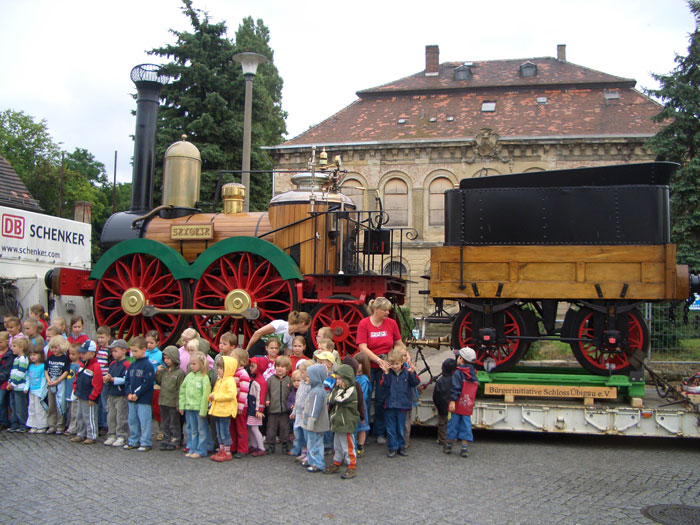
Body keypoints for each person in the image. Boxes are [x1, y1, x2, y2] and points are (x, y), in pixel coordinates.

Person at [357, 297, 406, 444]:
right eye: (385, 310)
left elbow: (398, 342)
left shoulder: (391, 324)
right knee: (363, 399)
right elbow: (362, 347)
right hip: (369, 367)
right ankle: (362, 431)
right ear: (376, 310)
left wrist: (404, 353)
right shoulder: (364, 323)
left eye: (388, 310)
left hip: (385, 367)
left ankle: (379, 432)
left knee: (381, 400)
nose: (388, 312)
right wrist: (378, 360)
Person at [380, 349, 419, 458]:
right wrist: (386, 373)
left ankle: (401, 446)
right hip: (390, 404)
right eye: (392, 364)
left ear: (402, 363)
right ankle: (392, 447)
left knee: (401, 427)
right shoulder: (387, 373)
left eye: (397, 364)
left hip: (403, 404)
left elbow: (415, 383)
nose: (395, 366)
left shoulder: (407, 372)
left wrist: (412, 373)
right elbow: (384, 385)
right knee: (390, 428)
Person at [326, 363, 360, 479]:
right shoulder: (340, 388)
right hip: (338, 422)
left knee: (348, 446)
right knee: (338, 445)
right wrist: (336, 390)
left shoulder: (351, 390)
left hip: (346, 422)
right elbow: (330, 399)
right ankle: (336, 462)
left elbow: (338, 399)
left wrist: (335, 391)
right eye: (337, 379)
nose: (337, 382)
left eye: (340, 379)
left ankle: (352, 466)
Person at [445, 347, 479, 458]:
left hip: (458, 403)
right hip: (468, 404)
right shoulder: (473, 373)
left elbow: (456, 387)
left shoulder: (458, 373)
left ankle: (449, 445)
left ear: (461, 359)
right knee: (466, 424)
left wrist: (453, 401)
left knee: (453, 424)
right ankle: (464, 447)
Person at [179, 351, 212, 459]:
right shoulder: (189, 376)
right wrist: (182, 405)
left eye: (194, 364)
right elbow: (183, 391)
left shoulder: (204, 378)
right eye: (190, 364)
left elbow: (205, 396)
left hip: (199, 408)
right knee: (193, 430)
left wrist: (203, 411)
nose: (191, 366)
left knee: (201, 430)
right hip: (189, 407)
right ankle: (193, 448)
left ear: (201, 364)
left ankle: (201, 450)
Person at [124, 337, 155, 452]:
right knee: (132, 420)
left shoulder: (148, 365)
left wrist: (137, 393)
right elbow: (127, 381)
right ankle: (133, 440)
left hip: (143, 399)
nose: (133, 354)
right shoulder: (132, 365)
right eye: (132, 351)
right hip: (132, 398)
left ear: (143, 349)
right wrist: (128, 393)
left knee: (144, 421)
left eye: (136, 351)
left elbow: (147, 382)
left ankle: (146, 441)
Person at [70, 340, 103, 444]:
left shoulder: (95, 366)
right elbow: (77, 378)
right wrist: (76, 390)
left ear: (92, 354)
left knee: (89, 416)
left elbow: (97, 384)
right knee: (79, 416)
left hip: (89, 397)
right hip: (81, 395)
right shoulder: (82, 364)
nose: (81, 355)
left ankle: (91, 435)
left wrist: (93, 397)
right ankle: (81, 433)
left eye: (84, 353)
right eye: (81, 353)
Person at [208, 355, 238, 462]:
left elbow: (231, 395)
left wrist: (215, 396)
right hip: (218, 410)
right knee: (219, 431)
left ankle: (227, 451)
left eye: (221, 368)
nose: (219, 370)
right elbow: (216, 391)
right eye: (218, 368)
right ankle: (221, 450)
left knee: (224, 431)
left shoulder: (229, 380)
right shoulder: (220, 380)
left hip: (225, 411)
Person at [302, 364, 331, 473]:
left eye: (309, 376)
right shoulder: (315, 389)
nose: (306, 378)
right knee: (311, 442)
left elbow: (315, 409)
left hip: (315, 424)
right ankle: (311, 460)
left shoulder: (317, 392)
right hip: (312, 423)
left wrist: (311, 421)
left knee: (314, 443)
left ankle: (317, 463)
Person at [155, 345, 185, 451]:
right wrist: (157, 373)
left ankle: (175, 440)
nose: (166, 361)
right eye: (165, 359)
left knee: (174, 423)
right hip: (163, 401)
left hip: (172, 402)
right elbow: (159, 382)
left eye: (168, 358)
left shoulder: (179, 373)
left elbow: (180, 389)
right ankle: (166, 439)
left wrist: (179, 404)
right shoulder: (164, 371)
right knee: (164, 423)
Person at [246, 311, 312, 357]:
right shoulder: (280, 324)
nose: (307, 330)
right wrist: (247, 351)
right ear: (303, 323)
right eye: (307, 327)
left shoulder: (292, 338)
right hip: (256, 351)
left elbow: (287, 355)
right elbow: (257, 333)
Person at [102, 339, 130, 448]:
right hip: (111, 393)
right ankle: (111, 434)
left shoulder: (127, 364)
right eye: (112, 351)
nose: (113, 353)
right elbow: (109, 374)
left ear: (123, 351)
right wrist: (107, 378)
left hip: (121, 394)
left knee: (121, 416)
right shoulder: (113, 364)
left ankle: (121, 435)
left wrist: (113, 379)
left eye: (115, 351)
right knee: (111, 415)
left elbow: (126, 379)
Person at [265, 355, 293, 454]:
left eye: (282, 366)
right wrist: (267, 400)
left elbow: (292, 393)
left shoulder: (289, 380)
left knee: (284, 427)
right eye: (278, 366)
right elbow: (266, 392)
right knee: (271, 428)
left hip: (285, 409)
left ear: (287, 368)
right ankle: (270, 445)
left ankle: (285, 444)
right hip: (273, 408)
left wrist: (292, 404)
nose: (280, 368)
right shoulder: (271, 380)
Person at [45, 336, 71, 434]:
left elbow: (66, 371)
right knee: (51, 405)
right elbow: (46, 370)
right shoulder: (50, 358)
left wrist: (58, 381)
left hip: (60, 383)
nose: (54, 350)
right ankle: (52, 425)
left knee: (60, 404)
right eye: (52, 348)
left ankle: (60, 425)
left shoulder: (65, 359)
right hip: (51, 382)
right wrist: (49, 380)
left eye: (56, 347)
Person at [230, 346, 250, 458]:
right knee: (232, 427)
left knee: (241, 428)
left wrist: (240, 406)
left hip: (240, 406)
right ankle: (233, 447)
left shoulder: (243, 374)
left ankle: (243, 449)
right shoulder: (232, 372)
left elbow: (244, 392)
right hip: (232, 404)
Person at [432, 358, 457, 447]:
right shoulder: (455, 380)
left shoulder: (440, 381)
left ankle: (441, 439)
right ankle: (452, 439)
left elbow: (436, 395)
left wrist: (437, 404)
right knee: (452, 423)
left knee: (442, 424)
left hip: (442, 406)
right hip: (453, 407)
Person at [7, 336, 29, 432]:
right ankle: (14, 423)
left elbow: (20, 373)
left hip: (19, 387)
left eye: (14, 346)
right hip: (13, 387)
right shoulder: (16, 359)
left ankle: (22, 424)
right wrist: (10, 382)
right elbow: (13, 372)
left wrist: (13, 383)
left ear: (21, 348)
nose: (12, 348)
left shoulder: (23, 359)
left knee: (20, 407)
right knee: (13, 406)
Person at [289, 362, 310, 460]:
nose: (301, 374)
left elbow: (309, 401)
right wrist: (294, 412)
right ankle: (302, 451)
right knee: (298, 433)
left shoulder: (309, 386)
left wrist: (306, 413)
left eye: (302, 372)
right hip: (298, 413)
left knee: (306, 434)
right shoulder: (302, 386)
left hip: (304, 415)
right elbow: (298, 400)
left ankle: (307, 453)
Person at [352, 352, 372, 456]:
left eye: (359, 363)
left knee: (362, 427)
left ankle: (360, 446)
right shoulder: (353, 377)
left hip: (361, 407)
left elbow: (363, 395)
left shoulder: (364, 379)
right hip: (353, 406)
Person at [246, 358, 266, 457]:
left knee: (254, 428)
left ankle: (261, 447)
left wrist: (260, 410)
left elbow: (261, 397)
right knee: (250, 427)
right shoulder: (253, 378)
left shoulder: (260, 381)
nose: (250, 368)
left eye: (253, 366)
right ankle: (253, 445)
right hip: (251, 406)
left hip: (255, 408)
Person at [26, 348, 48, 433]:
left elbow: (43, 379)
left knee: (40, 409)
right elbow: (28, 377)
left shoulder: (42, 366)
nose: (32, 357)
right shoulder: (30, 366)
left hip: (39, 390)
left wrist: (41, 391)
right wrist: (26, 388)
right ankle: (33, 424)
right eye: (31, 355)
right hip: (32, 390)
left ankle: (42, 425)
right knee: (31, 408)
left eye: (34, 355)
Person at [95, 326, 112, 435]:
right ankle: (99, 422)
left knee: (105, 402)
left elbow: (110, 365)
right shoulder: (98, 350)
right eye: (99, 338)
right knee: (99, 402)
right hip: (98, 379)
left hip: (105, 379)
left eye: (102, 337)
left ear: (108, 337)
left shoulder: (109, 351)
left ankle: (106, 424)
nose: (100, 340)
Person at [63, 343, 81, 435]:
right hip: (68, 390)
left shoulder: (79, 365)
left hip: (75, 391)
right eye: (70, 354)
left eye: (74, 354)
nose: (71, 356)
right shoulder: (68, 364)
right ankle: (68, 424)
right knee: (69, 410)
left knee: (74, 411)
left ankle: (73, 428)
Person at [0, 331, 14, 430]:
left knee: (2, 401)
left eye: (0, 342)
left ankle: (4, 421)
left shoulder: (9, 355)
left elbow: (7, 370)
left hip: (4, 382)